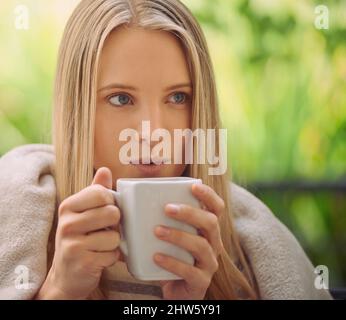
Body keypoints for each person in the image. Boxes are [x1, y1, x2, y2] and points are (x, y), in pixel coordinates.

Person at [0, 0, 332, 300]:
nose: (154, 133)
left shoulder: (250, 251)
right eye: (121, 99)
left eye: (177, 98)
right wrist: (60, 290)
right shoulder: (26, 213)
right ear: (77, 111)